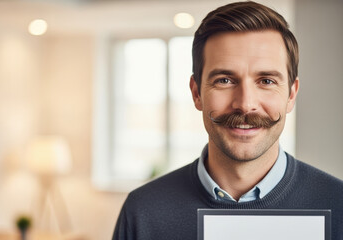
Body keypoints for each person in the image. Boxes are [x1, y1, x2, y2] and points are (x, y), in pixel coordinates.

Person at [112, 1, 343, 239]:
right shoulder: (142, 212)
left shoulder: (339, 205)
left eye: (266, 81)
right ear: (196, 93)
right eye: (224, 80)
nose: (245, 103)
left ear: (291, 95)